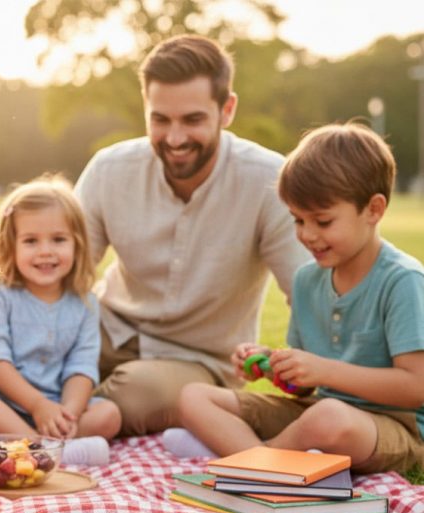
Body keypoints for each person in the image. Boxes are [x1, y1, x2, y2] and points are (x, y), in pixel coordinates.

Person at [74, 34, 310, 436]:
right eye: (160, 120)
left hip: (200, 360)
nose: (175, 138)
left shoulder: (269, 180)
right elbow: (64, 273)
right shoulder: (109, 170)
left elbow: (307, 294)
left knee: (135, 394)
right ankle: (42, 419)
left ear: (227, 109)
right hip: (107, 330)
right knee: (25, 358)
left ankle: (43, 428)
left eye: (193, 120)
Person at [176, 123, 424, 473]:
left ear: (373, 209)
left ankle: (251, 461)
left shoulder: (402, 281)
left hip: (394, 426)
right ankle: (272, 460)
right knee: (194, 396)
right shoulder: (307, 280)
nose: (307, 235)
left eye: (323, 221)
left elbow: (416, 387)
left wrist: (325, 370)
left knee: (330, 418)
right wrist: (274, 365)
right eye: (297, 220)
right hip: (318, 413)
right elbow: (303, 389)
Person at [0, 175, 122, 462]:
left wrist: (68, 414)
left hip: (56, 406)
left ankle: (40, 447)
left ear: (78, 244)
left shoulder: (85, 303)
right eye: (31, 241)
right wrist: (36, 405)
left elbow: (81, 366)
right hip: (4, 403)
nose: (45, 251)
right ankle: (39, 450)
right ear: (11, 245)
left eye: (58, 239)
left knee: (109, 415)